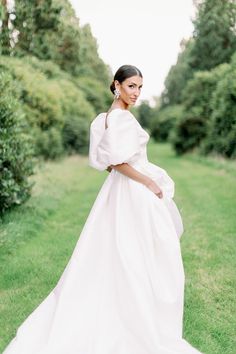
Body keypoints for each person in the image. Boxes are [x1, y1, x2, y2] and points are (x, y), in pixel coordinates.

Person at [3, 64, 203, 354]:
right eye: (131, 85)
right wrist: (149, 182)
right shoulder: (120, 118)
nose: (136, 93)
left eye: (140, 87)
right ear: (116, 85)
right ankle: (135, 318)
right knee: (141, 254)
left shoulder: (105, 118)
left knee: (122, 250)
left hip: (119, 191)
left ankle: (126, 308)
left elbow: (107, 163)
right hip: (133, 190)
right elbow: (118, 163)